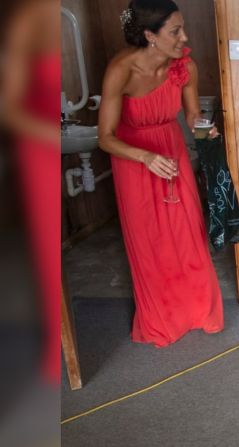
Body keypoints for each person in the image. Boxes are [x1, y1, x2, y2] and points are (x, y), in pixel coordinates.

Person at [97, 0, 223, 347]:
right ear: (150, 35)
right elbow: (104, 138)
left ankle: (199, 311)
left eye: (182, 28)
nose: (185, 37)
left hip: (172, 154)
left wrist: (205, 130)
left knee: (187, 235)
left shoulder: (185, 67)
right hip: (133, 160)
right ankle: (162, 319)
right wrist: (144, 156)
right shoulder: (120, 69)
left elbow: (194, 118)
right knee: (150, 242)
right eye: (175, 31)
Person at [0, 0, 60, 383]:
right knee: (48, 252)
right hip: (40, 150)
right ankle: (55, 348)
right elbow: (8, 108)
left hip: (50, 142)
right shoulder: (27, 20)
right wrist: (51, 136)